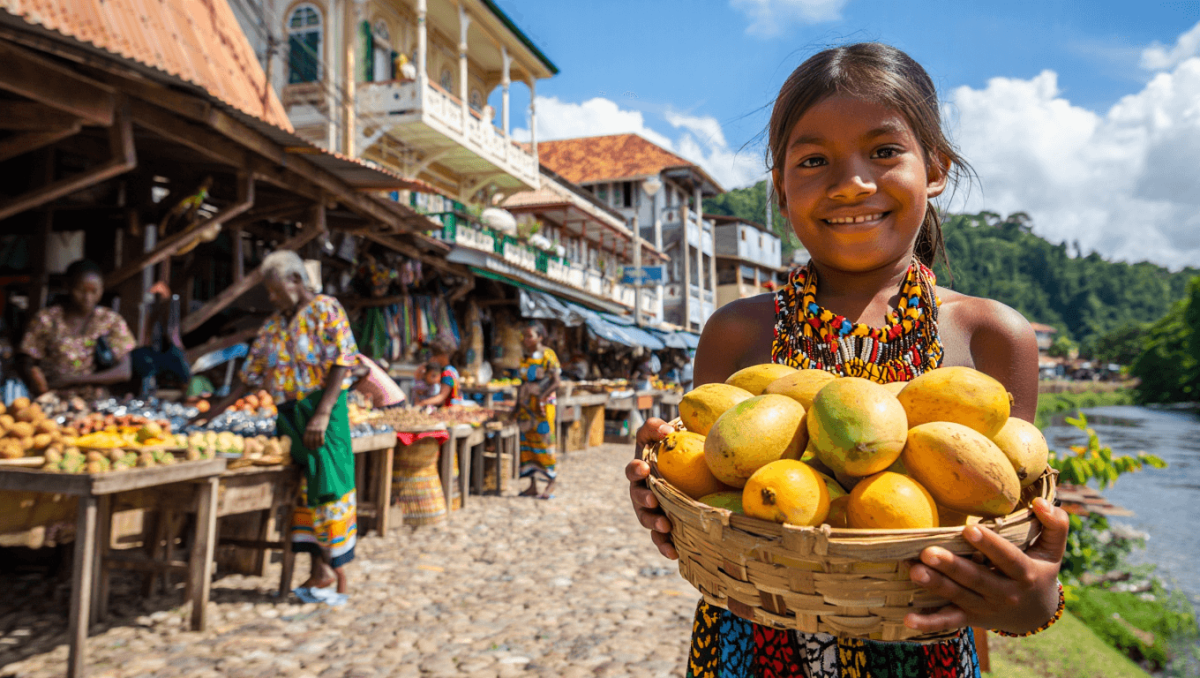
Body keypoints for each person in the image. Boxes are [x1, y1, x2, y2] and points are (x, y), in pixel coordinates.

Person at [625, 43, 1070, 676]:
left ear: (935, 168)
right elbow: (717, 510)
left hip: (926, 658)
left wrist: (1035, 601)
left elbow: (998, 531)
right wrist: (665, 487)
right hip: (754, 654)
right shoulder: (736, 332)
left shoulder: (994, 334)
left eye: (884, 151)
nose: (852, 181)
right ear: (780, 190)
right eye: (813, 159)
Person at [213, 250, 359, 596]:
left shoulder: (326, 309)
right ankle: (319, 570)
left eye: (275, 289)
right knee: (305, 491)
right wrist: (214, 411)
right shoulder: (275, 324)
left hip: (323, 411)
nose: (272, 297)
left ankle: (334, 570)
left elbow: (343, 360)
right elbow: (249, 376)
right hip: (289, 415)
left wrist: (322, 413)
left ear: (295, 280)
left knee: (330, 487)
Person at [18, 259, 136, 398]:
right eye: (80, 291)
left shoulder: (110, 321)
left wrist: (70, 380)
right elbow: (26, 362)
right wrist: (39, 386)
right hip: (51, 400)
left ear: (102, 289)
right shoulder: (46, 319)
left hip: (95, 403)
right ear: (67, 286)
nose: (87, 297)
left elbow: (124, 372)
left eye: (94, 291)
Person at [515, 322, 560, 499]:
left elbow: (556, 381)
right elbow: (522, 383)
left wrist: (542, 397)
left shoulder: (548, 355)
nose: (526, 340)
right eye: (524, 336)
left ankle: (551, 482)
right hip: (527, 409)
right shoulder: (525, 357)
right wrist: (517, 407)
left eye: (530, 336)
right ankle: (532, 485)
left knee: (544, 443)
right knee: (528, 446)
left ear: (540, 337)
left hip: (542, 409)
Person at [416, 335, 464, 408]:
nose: (433, 357)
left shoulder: (447, 373)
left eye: (435, 355)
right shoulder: (451, 369)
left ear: (443, 355)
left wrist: (422, 403)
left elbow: (441, 397)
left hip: (451, 409)